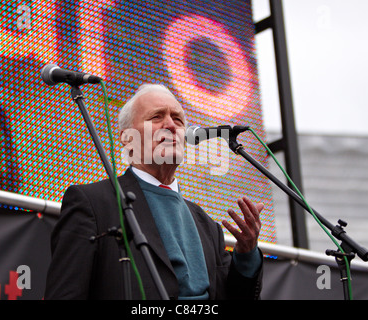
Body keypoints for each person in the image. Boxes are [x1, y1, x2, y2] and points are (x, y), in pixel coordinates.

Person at [44, 84, 264, 300]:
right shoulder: (92, 203)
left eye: (178, 119)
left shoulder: (207, 226)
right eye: (156, 117)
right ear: (128, 138)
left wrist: (246, 255)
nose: (170, 125)